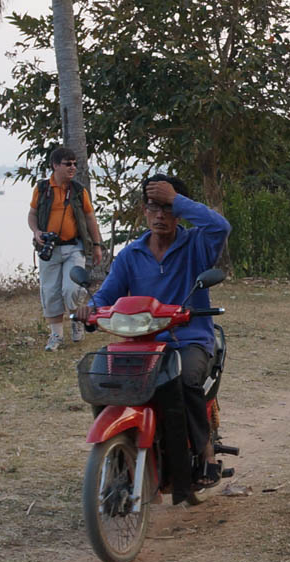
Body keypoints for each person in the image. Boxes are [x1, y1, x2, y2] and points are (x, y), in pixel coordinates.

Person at [76, 174, 231, 486]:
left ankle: (205, 454)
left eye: (167, 208)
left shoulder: (196, 245)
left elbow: (220, 227)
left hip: (188, 339)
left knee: (186, 379)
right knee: (102, 376)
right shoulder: (131, 255)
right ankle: (120, 451)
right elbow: (107, 295)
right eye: (153, 208)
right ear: (143, 211)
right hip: (141, 343)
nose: (160, 216)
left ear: (178, 210)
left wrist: (177, 199)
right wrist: (90, 308)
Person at [29, 146, 104, 351]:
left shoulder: (79, 190)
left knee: (72, 288)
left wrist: (96, 245)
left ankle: (76, 321)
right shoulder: (42, 189)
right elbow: (32, 213)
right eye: (67, 164)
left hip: (74, 247)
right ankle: (56, 336)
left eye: (74, 164)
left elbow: (90, 218)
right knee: (50, 291)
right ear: (55, 165)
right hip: (49, 248)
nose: (72, 168)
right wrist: (36, 232)